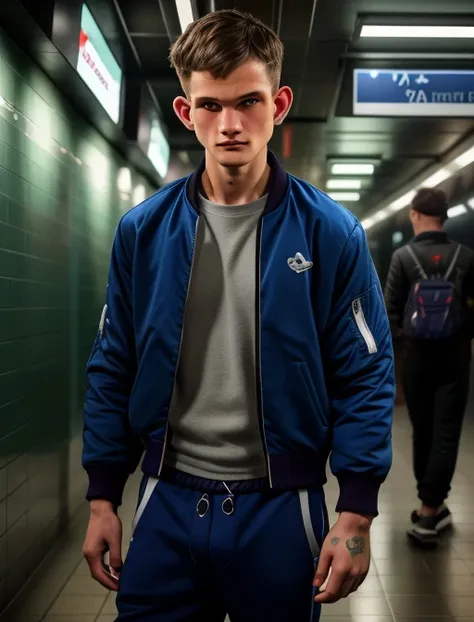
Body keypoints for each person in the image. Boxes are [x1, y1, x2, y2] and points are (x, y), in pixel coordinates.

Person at [81, 9, 394, 621]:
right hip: (167, 499)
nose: (229, 124)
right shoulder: (142, 233)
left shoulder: (330, 233)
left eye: (248, 101)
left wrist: (355, 511)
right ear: (186, 112)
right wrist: (101, 497)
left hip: (281, 506)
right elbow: (112, 362)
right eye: (210, 105)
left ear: (278, 103)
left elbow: (366, 373)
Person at [385, 187, 474, 547]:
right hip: (455, 357)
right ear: (446, 216)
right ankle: (431, 505)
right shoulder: (466, 256)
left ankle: (428, 509)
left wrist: (404, 344)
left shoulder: (402, 257)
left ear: (414, 214)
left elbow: (389, 311)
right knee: (446, 434)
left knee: (422, 432)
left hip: (417, 358)